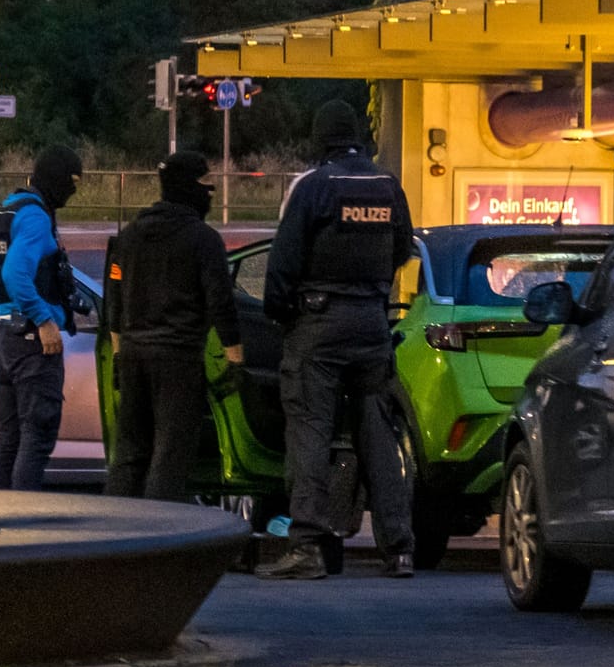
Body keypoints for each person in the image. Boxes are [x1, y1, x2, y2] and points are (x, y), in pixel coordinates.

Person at [255, 101, 417, 581]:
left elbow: (282, 268)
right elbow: (402, 248)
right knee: (377, 435)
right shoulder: (388, 186)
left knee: (311, 431)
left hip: (319, 325)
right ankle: (400, 549)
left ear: (319, 138)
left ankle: (306, 546)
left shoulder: (313, 188)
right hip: (371, 323)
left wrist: (283, 316)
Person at [104, 151, 245, 501]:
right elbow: (220, 301)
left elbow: (114, 301)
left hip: (134, 356)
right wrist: (234, 356)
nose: (211, 191)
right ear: (188, 186)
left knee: (129, 453)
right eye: (205, 184)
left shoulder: (130, 236)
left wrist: (121, 356)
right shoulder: (203, 239)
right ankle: (160, 536)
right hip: (178, 359)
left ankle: (112, 534)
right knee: (170, 454)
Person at [0, 146, 82, 491]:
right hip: (31, 343)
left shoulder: (8, 211)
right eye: (73, 182)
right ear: (57, 180)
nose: (74, 191)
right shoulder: (37, 217)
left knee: (8, 438)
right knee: (36, 437)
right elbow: (14, 274)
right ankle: (24, 522)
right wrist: (44, 320)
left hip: (5, 338)